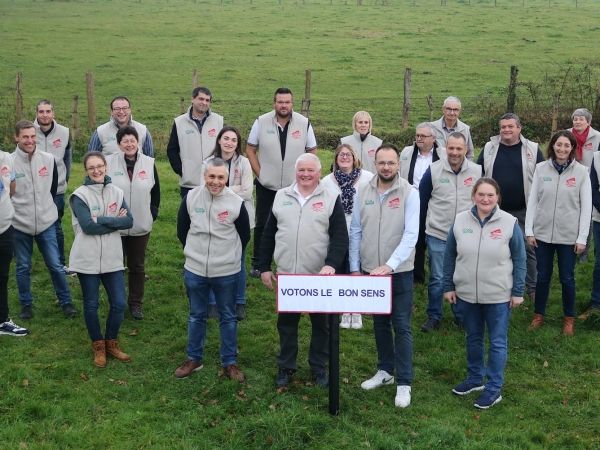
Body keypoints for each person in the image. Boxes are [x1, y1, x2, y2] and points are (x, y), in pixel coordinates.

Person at [259, 154, 348, 389]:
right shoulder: (281, 196)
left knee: (322, 326)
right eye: (301, 170)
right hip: (288, 275)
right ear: (295, 171)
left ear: (319, 172)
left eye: (310, 170)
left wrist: (331, 265)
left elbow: (340, 237)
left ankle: (319, 368)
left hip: (319, 276)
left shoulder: (331, 197)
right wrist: (265, 267)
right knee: (287, 324)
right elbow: (268, 234)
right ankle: (286, 365)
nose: (305, 174)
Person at [444, 178, 526, 410]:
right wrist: (449, 286)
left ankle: (493, 388)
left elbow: (520, 259)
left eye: (490, 195)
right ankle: (474, 378)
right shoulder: (460, 220)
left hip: (499, 295)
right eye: (481, 194)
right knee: (473, 338)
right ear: (474, 195)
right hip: (467, 294)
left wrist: (517, 291)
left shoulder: (510, 223)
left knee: (497, 342)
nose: (485, 199)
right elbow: (449, 255)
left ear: (497, 197)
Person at [350, 144, 419, 408]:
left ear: (399, 164)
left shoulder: (410, 192)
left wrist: (390, 265)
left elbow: (411, 235)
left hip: (399, 271)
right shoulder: (362, 191)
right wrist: (356, 267)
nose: (386, 167)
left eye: (391, 163)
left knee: (400, 325)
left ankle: (404, 382)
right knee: (379, 323)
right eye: (382, 163)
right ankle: (385, 372)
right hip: (370, 269)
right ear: (374, 163)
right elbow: (356, 229)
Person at [174, 158, 250, 383]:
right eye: (211, 176)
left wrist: (227, 257)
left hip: (226, 271)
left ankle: (229, 362)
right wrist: (195, 254)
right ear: (204, 176)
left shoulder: (236, 203)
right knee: (196, 315)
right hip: (195, 269)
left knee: (228, 315)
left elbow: (244, 236)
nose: (215, 182)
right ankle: (194, 358)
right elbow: (182, 231)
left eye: (220, 177)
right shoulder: (190, 199)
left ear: (227, 179)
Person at [68, 152, 134, 367]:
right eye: (91, 168)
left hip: (112, 258)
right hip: (87, 258)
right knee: (91, 303)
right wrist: (115, 221)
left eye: (99, 166)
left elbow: (129, 221)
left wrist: (104, 220)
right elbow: (87, 226)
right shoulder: (80, 196)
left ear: (106, 166)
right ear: (86, 171)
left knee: (119, 302)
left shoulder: (116, 191)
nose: (96, 171)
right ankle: (98, 345)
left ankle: (111, 342)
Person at [246, 87, 318, 278]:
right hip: (266, 185)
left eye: (287, 102)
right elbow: (250, 149)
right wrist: (261, 174)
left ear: (292, 104)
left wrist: (304, 176)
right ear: (274, 103)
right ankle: (259, 264)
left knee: (292, 224)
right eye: (280, 102)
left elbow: (312, 151)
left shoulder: (304, 123)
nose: (283, 105)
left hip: (294, 187)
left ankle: (290, 263)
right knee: (262, 223)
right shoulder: (261, 122)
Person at [525, 131, 591, 336]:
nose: (562, 149)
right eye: (558, 145)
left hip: (568, 236)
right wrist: (529, 230)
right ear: (552, 146)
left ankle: (568, 319)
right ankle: (538, 316)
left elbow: (586, 208)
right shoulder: (540, 168)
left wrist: (582, 238)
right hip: (543, 234)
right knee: (542, 277)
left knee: (567, 278)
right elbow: (533, 201)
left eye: (566, 146)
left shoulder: (581, 172)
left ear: (572, 148)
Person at [10, 120, 78, 320]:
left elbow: (52, 189)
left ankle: (66, 302)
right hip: (19, 224)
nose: (30, 140)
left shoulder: (48, 159)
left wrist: (44, 210)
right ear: (16, 137)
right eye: (25, 137)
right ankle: (26, 305)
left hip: (46, 222)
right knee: (23, 266)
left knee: (55, 265)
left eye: (33, 136)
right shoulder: (8, 162)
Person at [477, 113, 545, 300]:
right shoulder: (490, 148)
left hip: (523, 209)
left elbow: (542, 175)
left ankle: (531, 288)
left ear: (519, 128)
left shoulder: (532, 149)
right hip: (494, 210)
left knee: (527, 248)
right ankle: (494, 286)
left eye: (510, 126)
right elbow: (479, 173)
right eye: (503, 127)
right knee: (492, 247)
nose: (506, 130)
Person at [419, 133, 481, 332]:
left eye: (459, 149)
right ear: (445, 148)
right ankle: (434, 316)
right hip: (438, 233)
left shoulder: (477, 171)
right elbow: (422, 200)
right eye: (451, 148)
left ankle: (461, 315)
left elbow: (485, 200)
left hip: (467, 235)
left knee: (462, 277)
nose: (454, 153)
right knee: (437, 278)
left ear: (466, 150)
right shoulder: (433, 170)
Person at [106, 126, 160, 320]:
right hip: (116, 225)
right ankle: (118, 302)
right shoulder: (109, 162)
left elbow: (156, 191)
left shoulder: (149, 162)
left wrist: (152, 212)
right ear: (119, 145)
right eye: (125, 141)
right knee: (116, 266)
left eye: (132, 141)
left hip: (140, 224)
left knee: (137, 266)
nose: (129, 144)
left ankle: (136, 304)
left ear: (138, 142)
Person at [203, 126, 254, 321]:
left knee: (238, 261)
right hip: (214, 219)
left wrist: (221, 189)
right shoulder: (207, 163)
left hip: (241, 218)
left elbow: (248, 193)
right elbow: (206, 190)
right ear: (219, 140)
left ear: (237, 144)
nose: (229, 143)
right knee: (214, 259)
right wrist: (234, 188)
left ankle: (239, 302)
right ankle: (213, 302)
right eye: (226, 138)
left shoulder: (245, 163)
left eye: (234, 140)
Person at [321, 143, 374, 330]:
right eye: (341, 154)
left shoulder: (367, 178)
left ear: (354, 157)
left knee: (357, 268)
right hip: (337, 232)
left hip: (361, 230)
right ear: (336, 158)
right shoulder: (327, 181)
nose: (345, 157)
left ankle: (357, 310)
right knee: (342, 267)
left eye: (348, 154)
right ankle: (344, 309)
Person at [399, 122, 445, 286]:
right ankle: (417, 277)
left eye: (423, 136)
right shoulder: (407, 152)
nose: (419, 138)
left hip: (435, 201)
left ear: (433, 138)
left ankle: (439, 277)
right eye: (417, 135)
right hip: (412, 200)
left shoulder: (443, 154)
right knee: (415, 238)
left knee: (434, 239)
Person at [33, 100, 73, 275]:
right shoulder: (28, 132)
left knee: (56, 225)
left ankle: (60, 263)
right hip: (34, 189)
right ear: (36, 114)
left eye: (48, 111)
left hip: (57, 189)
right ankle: (26, 260)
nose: (44, 115)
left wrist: (64, 181)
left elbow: (68, 160)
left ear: (53, 113)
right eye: (41, 111)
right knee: (30, 223)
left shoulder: (64, 132)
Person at [167, 87, 224, 198]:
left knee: (212, 214)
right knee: (190, 214)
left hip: (213, 182)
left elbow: (225, 148)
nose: (204, 103)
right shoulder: (180, 122)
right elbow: (172, 149)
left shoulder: (218, 121)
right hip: (189, 184)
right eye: (201, 99)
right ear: (192, 99)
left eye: (207, 100)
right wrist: (182, 170)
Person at [0, 148, 28, 336]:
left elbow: (11, 188)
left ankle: (2, 320)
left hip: (3, 228)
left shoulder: (5, 158)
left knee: (2, 276)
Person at [568, 108, 599, 264]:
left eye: (581, 119)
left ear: (589, 122)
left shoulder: (597, 137)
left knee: (588, 216)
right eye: (575, 119)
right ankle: (569, 247)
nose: (577, 122)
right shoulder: (566, 135)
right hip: (570, 181)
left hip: (590, 182)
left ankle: (585, 252)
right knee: (571, 214)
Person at [88, 96, 154, 157]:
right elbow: (92, 160)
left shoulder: (143, 130)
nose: (121, 112)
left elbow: (149, 160)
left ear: (130, 110)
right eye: (117, 109)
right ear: (111, 111)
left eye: (125, 108)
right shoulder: (100, 132)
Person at [429, 96, 475, 161]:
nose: (452, 113)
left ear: (460, 111)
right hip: (437, 168)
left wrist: (465, 169)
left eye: (455, 110)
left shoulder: (465, 129)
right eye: (449, 109)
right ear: (443, 109)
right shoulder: (432, 127)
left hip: (458, 169)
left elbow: (470, 154)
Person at [586, 149, 600, 318]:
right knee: (599, 262)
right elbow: (593, 188)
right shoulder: (597, 158)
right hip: (599, 218)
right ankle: (596, 304)